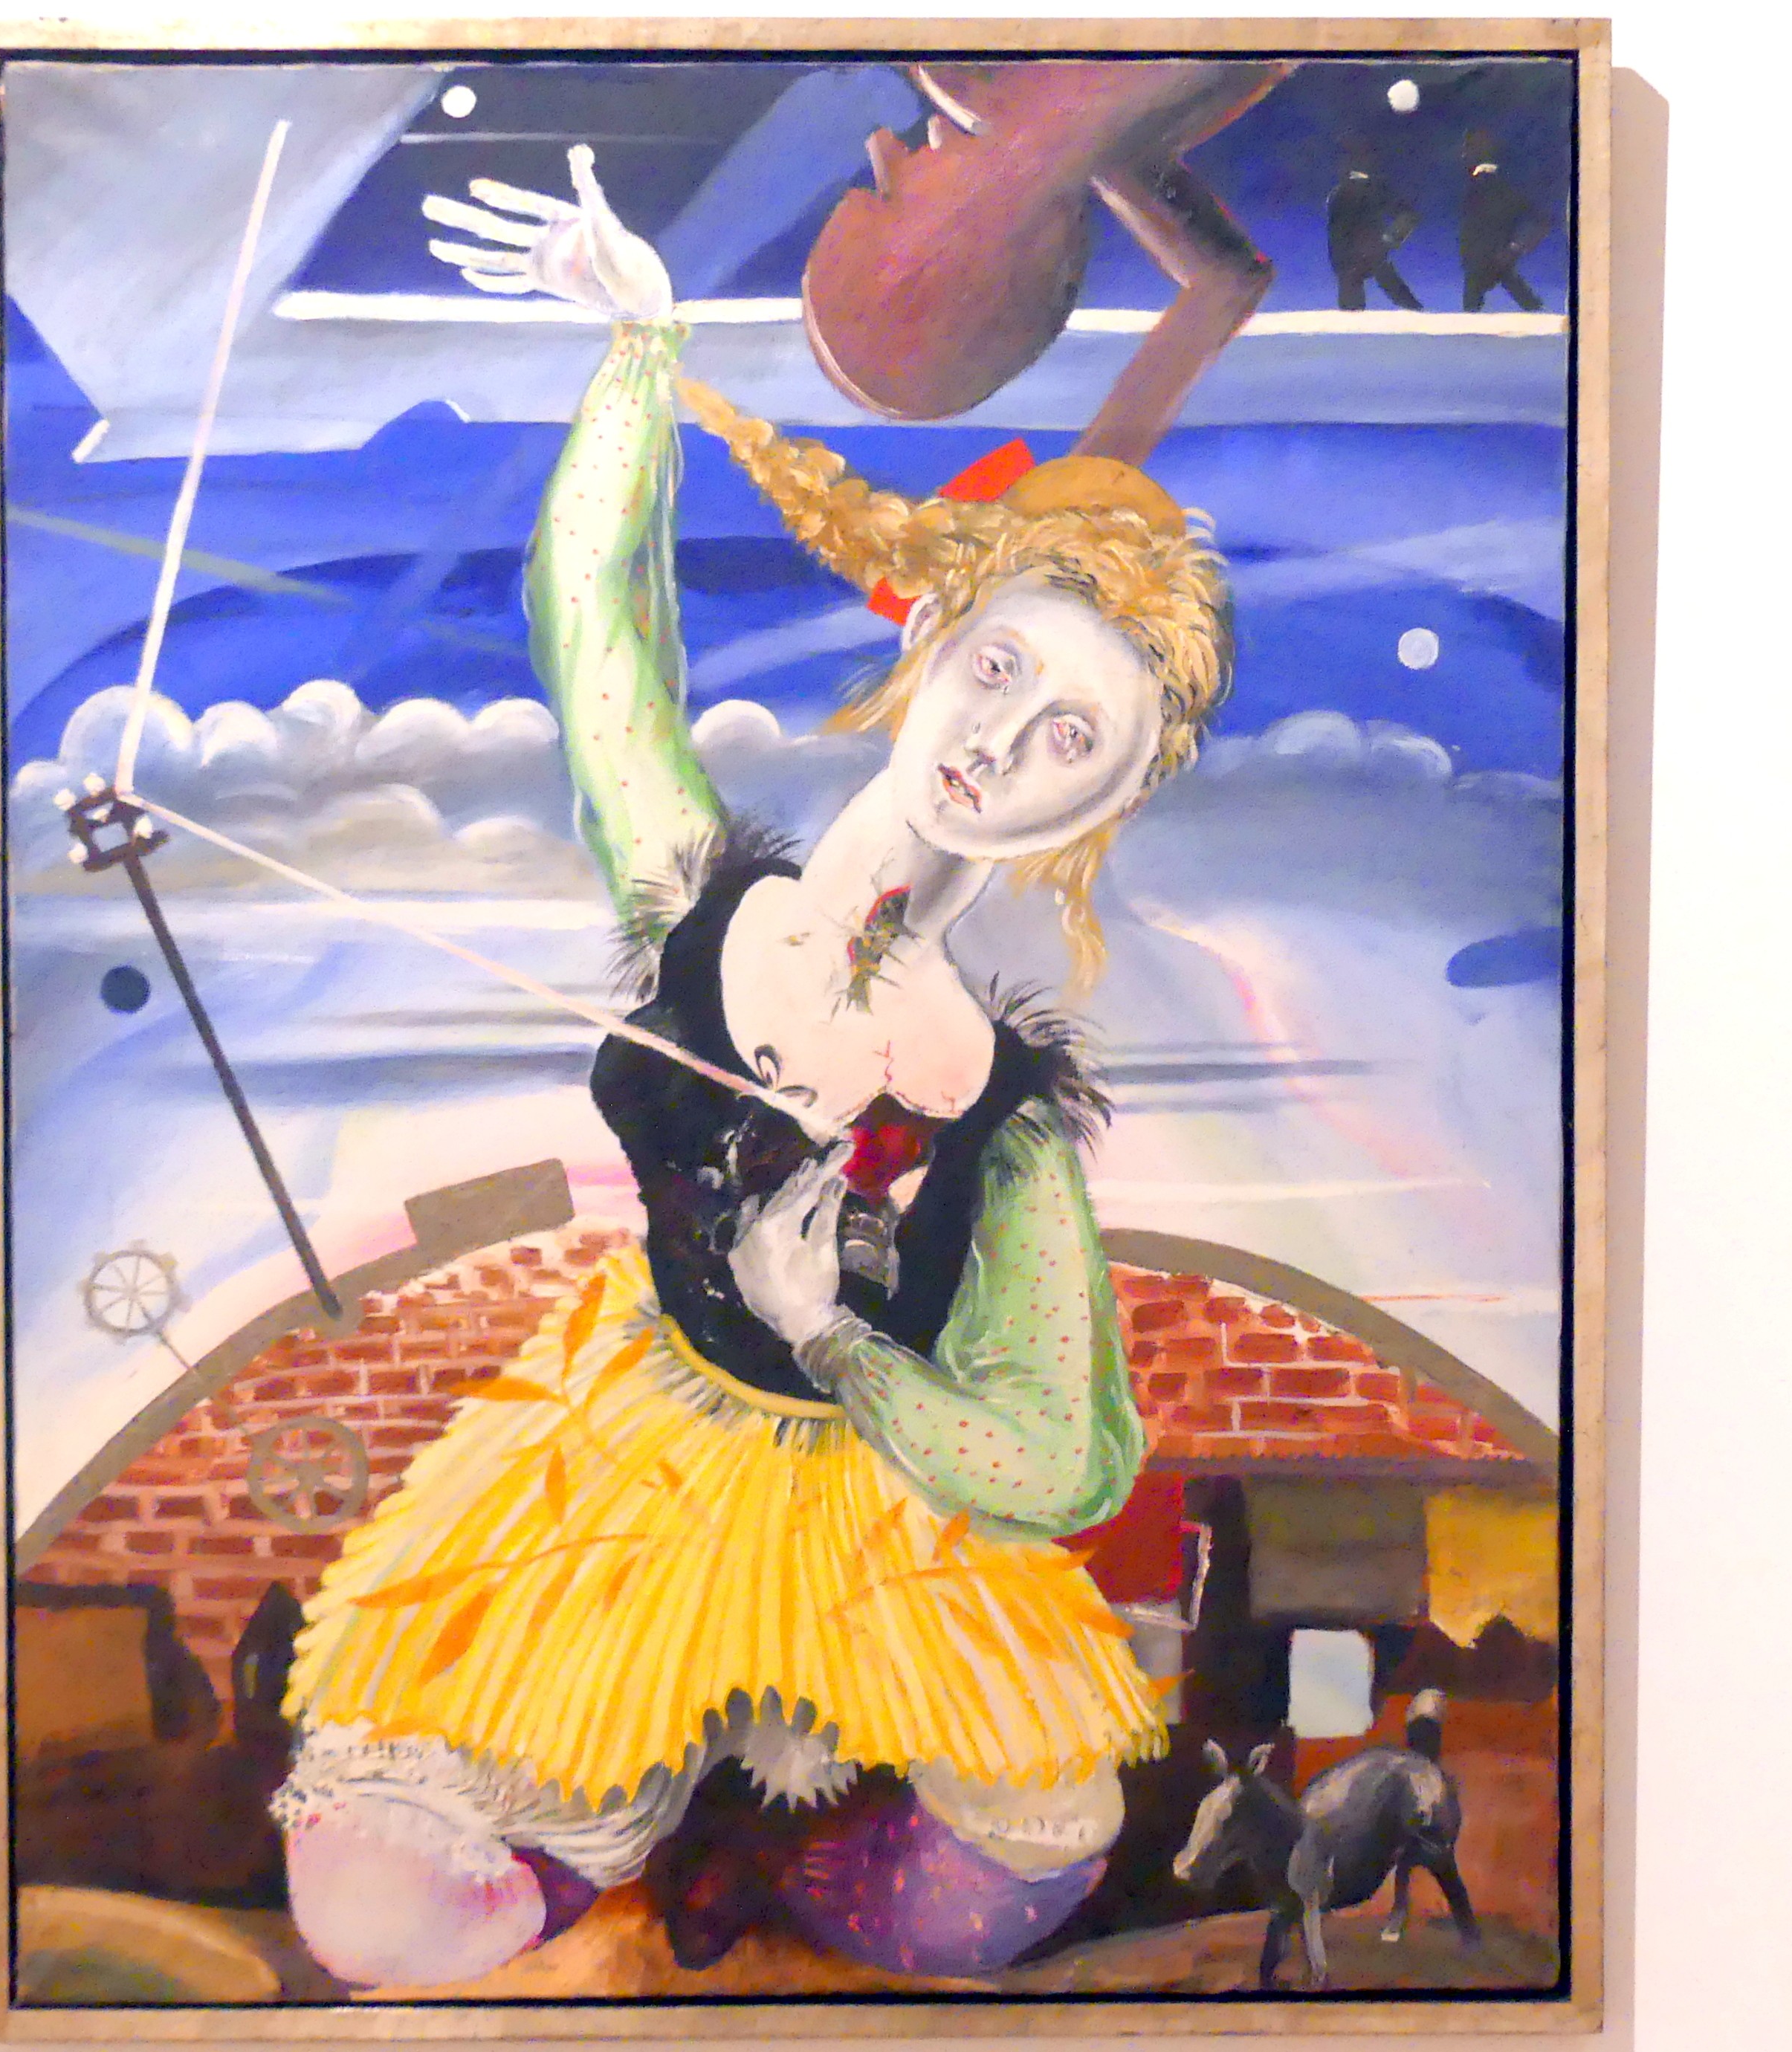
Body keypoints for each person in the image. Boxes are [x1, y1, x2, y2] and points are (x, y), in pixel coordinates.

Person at [268, 148, 1235, 1990]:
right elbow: (596, 634)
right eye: (1002, 671)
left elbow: (1056, 1459)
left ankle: (755, 1865)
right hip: (629, 1461)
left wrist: (832, 1337)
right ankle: (621, 1824)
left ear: (1099, 801)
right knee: (372, 1909)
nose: (1000, 744)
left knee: (1000, 1883)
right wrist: (640, 354)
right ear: (932, 636)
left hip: (885, 1514)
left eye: (1072, 740)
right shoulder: (697, 895)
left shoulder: (996, 1112)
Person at [1324, 137, 1423, 311]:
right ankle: (1418, 314)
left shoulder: (1369, 191)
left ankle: (1418, 314)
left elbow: (1408, 215)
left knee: (1387, 285)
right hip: (1351, 261)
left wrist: (1388, 240)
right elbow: (1335, 234)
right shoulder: (1339, 195)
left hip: (1366, 256)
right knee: (1354, 304)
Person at [1459, 129, 1550, 312]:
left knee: (1491, 284)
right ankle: (1537, 311)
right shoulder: (1478, 185)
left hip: (1491, 251)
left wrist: (1514, 246)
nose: (1464, 154)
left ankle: (1537, 311)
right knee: (1499, 283)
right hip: (1485, 251)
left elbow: (1537, 217)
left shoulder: (1497, 185)